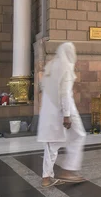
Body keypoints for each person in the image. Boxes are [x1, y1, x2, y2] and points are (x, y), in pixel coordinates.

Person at [37, 43, 86, 187]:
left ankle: (46, 178)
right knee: (79, 135)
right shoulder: (66, 66)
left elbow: (43, 87)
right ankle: (68, 171)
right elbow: (64, 93)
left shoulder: (52, 65)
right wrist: (66, 114)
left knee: (53, 143)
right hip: (65, 109)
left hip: (49, 111)